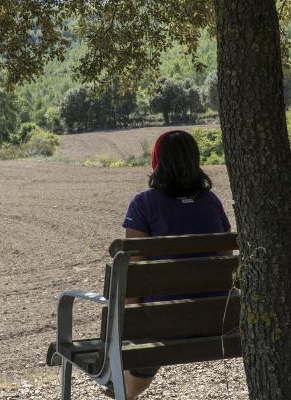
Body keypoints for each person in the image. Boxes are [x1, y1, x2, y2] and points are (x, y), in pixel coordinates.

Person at [117, 130, 231, 400]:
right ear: (195, 160)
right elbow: (227, 259)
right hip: (217, 319)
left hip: (163, 324)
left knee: (148, 333)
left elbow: (135, 267)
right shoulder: (212, 203)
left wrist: (131, 315)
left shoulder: (144, 204)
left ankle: (126, 393)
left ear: (157, 161)